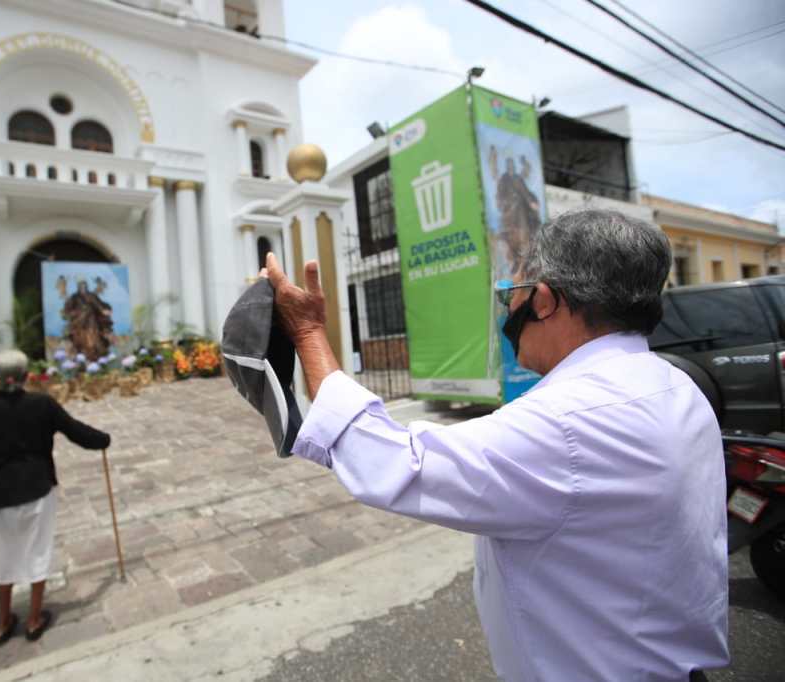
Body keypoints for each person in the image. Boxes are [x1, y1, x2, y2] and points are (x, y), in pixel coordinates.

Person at [263, 209, 728, 681]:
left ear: (543, 301)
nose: (508, 310)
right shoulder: (676, 385)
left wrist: (306, 333)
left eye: (512, 295)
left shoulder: (567, 423)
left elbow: (389, 459)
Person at [0, 349, 111, 645]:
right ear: (27, 375)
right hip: (36, 487)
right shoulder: (41, 405)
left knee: (2, 555)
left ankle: (3, 622)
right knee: (36, 550)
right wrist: (102, 440)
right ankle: (33, 618)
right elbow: (74, 430)